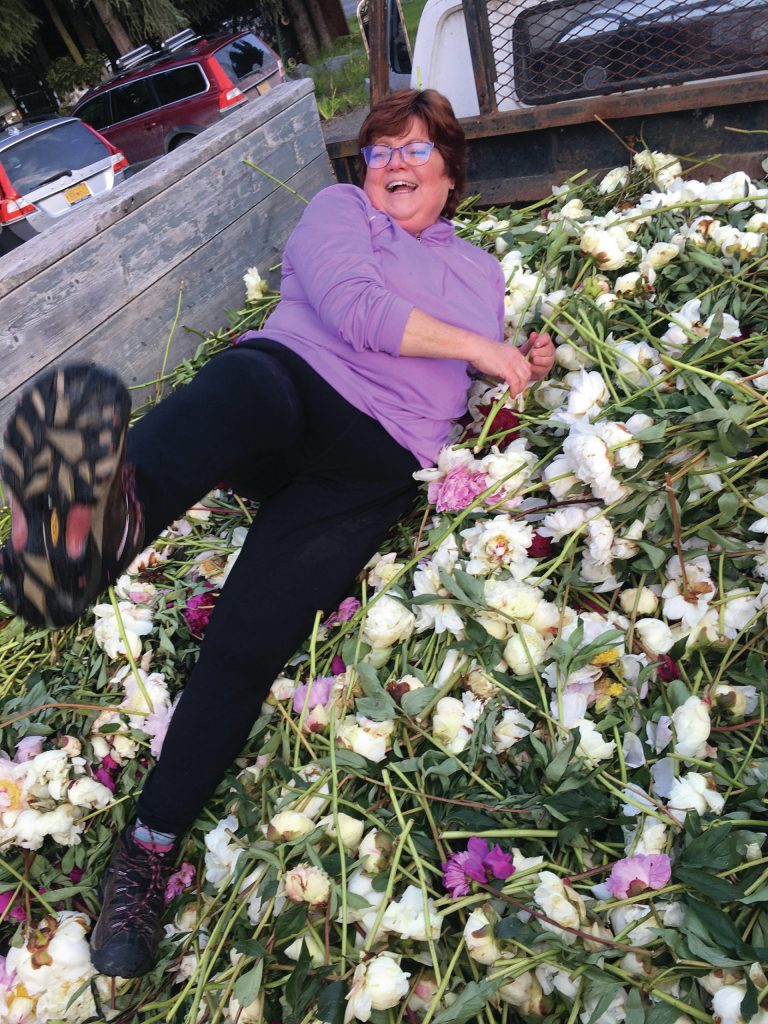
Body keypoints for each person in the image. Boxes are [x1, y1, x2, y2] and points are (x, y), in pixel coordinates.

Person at [0, 89, 555, 977]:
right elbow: (358, 309)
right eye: (379, 151)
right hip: (291, 391)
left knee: (249, 637)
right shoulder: (338, 212)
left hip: (373, 464)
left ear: (451, 171)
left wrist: (512, 365)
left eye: (415, 149)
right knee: (239, 392)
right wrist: (481, 350)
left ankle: (147, 851)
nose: (394, 164)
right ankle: (79, 539)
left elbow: (460, 382)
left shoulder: (482, 275)